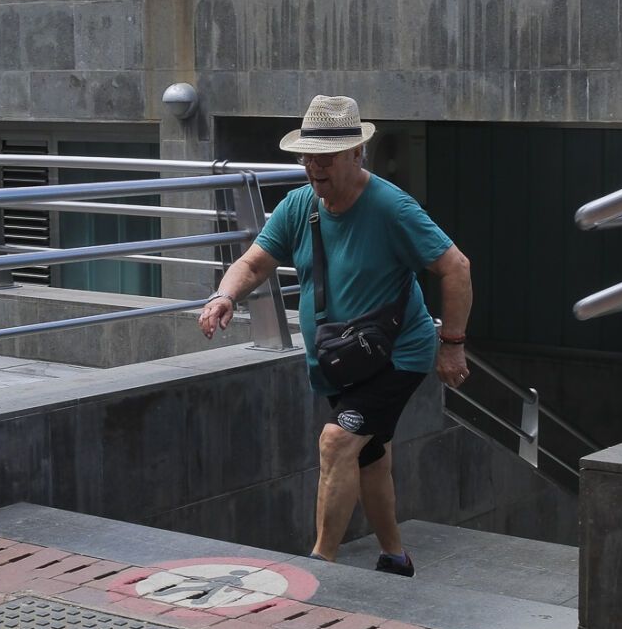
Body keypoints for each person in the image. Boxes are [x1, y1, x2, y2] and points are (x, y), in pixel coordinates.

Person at [199, 94, 472, 575]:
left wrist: (451, 345)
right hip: (342, 358)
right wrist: (224, 296)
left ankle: (321, 564)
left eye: (326, 156)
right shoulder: (300, 205)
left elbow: (456, 267)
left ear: (357, 154)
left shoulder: (391, 207)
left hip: (395, 355)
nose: (314, 166)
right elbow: (255, 261)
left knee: (336, 442)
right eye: (307, 155)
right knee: (370, 454)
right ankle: (395, 556)